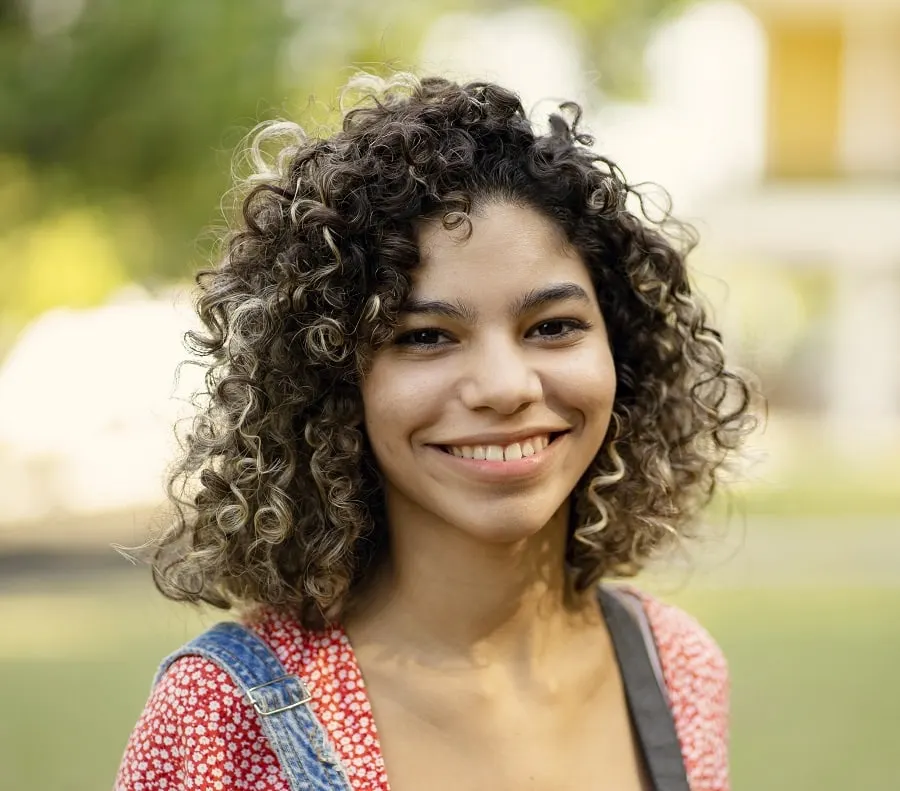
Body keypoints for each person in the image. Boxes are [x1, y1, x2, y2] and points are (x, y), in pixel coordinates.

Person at [115, 73, 755, 791]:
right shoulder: (224, 717)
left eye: (552, 327)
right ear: (331, 380)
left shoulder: (675, 666)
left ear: (623, 352)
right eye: (425, 336)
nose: (506, 386)